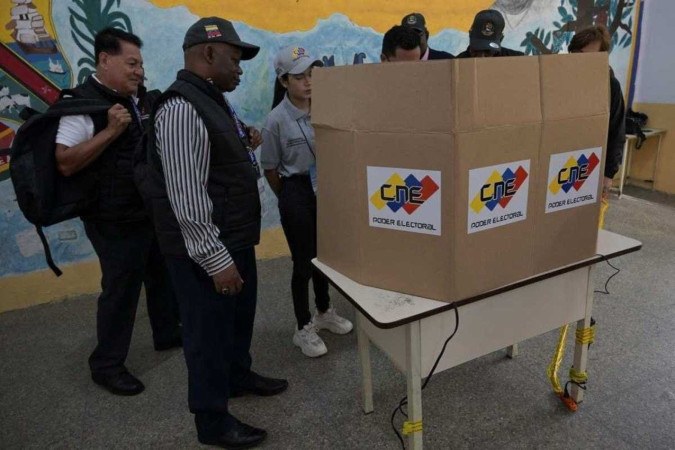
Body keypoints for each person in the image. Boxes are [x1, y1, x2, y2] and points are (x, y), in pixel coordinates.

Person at [146, 17, 288, 448]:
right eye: (234, 58)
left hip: (234, 236)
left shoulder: (211, 100)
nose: (240, 69)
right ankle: (211, 421)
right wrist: (216, 259)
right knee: (206, 333)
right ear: (208, 54)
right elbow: (186, 197)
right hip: (207, 249)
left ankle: (237, 376)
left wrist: (242, 137)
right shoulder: (181, 109)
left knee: (237, 318)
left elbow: (214, 159)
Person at [54, 27, 181, 397]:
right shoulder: (81, 103)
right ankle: (106, 365)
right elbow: (64, 161)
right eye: (131, 63)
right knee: (121, 289)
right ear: (104, 60)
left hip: (147, 209)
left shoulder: (139, 99)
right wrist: (110, 131)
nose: (139, 71)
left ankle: (167, 333)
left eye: (140, 64)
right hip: (110, 217)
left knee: (161, 274)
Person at [261, 46, 353, 358]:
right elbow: (270, 169)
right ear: (284, 81)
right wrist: (289, 198)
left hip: (324, 188)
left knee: (324, 257)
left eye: (312, 74)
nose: (308, 82)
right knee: (303, 262)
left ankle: (324, 311)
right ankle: (303, 327)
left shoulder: (325, 108)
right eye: (300, 77)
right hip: (296, 189)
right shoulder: (276, 120)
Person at [568, 25, 626, 206]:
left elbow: (616, 132)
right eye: (578, 54)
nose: (582, 61)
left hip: (590, 166)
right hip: (562, 163)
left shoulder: (610, 86)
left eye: (590, 56)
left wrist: (608, 176)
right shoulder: (560, 79)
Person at [456, 9, 525, 58]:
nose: (481, 58)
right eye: (476, 50)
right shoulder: (457, 64)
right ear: (470, 35)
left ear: (501, 39)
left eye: (488, 52)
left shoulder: (519, 61)